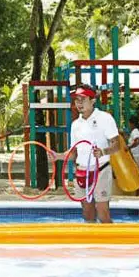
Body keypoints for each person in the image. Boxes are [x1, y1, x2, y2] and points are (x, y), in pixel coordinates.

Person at [48, 84, 120, 223]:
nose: (79, 103)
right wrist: (58, 156)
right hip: (81, 172)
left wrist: (103, 151)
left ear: (93, 100)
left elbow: (117, 145)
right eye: (76, 100)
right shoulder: (76, 124)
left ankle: (111, 242)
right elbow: (74, 153)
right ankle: (93, 243)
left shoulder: (105, 118)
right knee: (87, 213)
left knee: (102, 211)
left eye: (83, 99)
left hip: (101, 169)